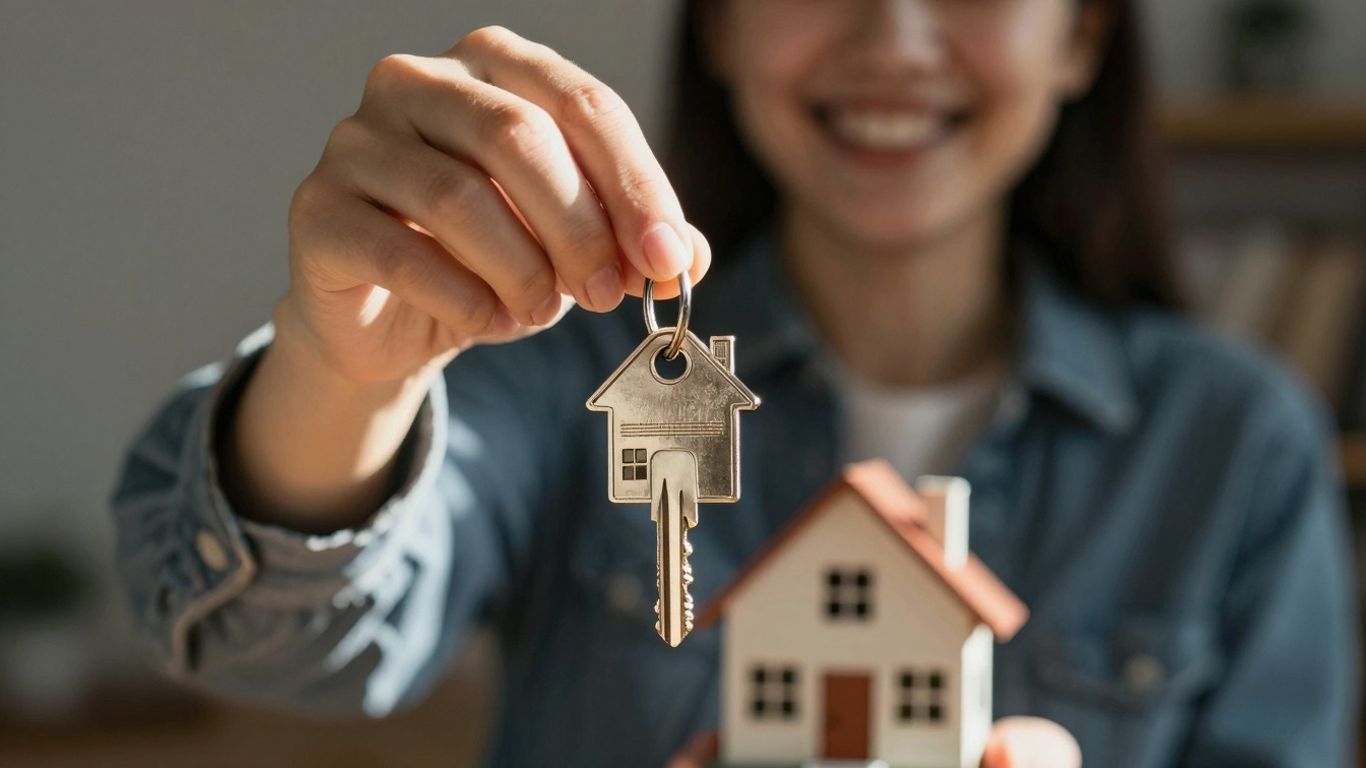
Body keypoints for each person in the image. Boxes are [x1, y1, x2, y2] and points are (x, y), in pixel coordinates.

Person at [111, 0, 1357, 766]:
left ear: (1080, 31)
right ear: (718, 21)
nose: (895, 35)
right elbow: (275, 649)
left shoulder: (1237, 440)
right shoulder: (558, 360)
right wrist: (342, 370)